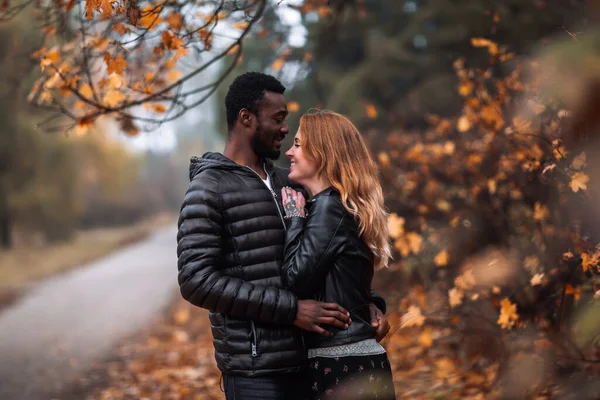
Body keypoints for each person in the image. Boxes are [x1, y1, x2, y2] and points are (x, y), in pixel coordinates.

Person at [176, 72, 390, 400]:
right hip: (256, 373)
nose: (286, 129)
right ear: (247, 119)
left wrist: (367, 304)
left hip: (314, 365)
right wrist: (291, 310)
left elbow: (327, 253)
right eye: (278, 118)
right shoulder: (208, 189)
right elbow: (196, 280)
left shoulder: (291, 182)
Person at [280, 110, 396, 399]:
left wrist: (294, 217)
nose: (289, 152)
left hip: (342, 363)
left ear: (321, 153)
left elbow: (294, 279)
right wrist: (374, 303)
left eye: (297, 144)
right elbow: (347, 281)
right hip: (356, 360)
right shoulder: (342, 205)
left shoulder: (329, 207)